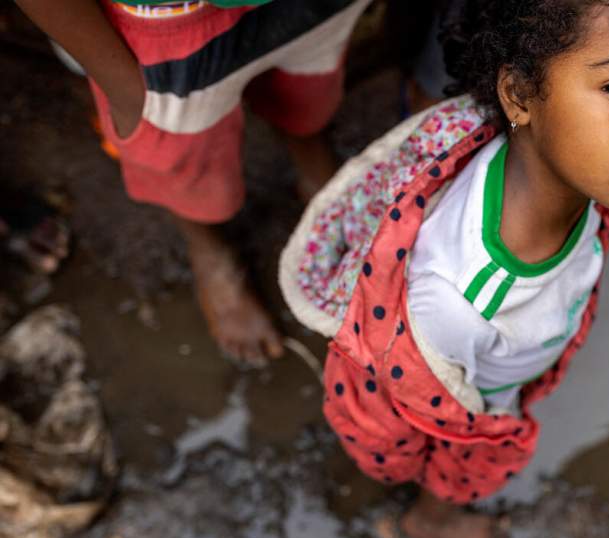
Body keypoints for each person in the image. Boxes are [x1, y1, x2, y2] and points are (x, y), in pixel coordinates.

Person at [279, 0, 609, 538]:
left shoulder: (566, 168)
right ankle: (432, 517)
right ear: (519, 95)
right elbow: (446, 418)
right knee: (470, 457)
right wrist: (493, 424)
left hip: (511, 344)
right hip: (474, 401)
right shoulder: (462, 302)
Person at [13, 0, 372, 365]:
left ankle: (311, 157)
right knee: (181, 155)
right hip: (164, 25)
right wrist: (119, 79)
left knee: (310, 83)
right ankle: (207, 247)